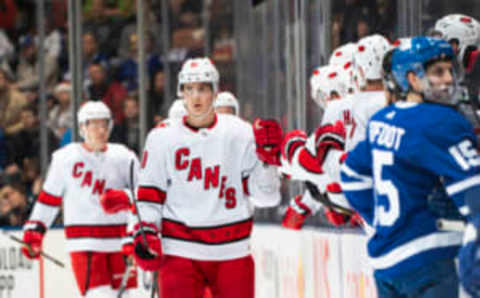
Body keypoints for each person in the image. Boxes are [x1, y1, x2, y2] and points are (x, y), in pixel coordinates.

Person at [130, 57, 281, 298]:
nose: (196, 96)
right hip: (180, 251)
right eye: (189, 89)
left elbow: (267, 198)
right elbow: (150, 196)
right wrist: (145, 231)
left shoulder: (240, 133)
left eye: (202, 88)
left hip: (232, 251)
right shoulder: (162, 138)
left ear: (215, 92)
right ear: (182, 93)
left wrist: (268, 162)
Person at [341, 36, 472, 298]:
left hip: (386, 263)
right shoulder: (443, 121)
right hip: (432, 258)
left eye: (450, 70)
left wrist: (382, 220)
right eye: (438, 72)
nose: (448, 79)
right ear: (412, 79)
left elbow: (351, 176)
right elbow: (475, 194)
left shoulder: (381, 121)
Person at [21, 101, 139, 298]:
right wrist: (35, 231)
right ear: (83, 127)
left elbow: (145, 196)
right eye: (94, 125)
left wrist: (126, 200)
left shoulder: (124, 157)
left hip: (120, 243)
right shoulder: (65, 159)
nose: (101, 130)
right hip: (85, 245)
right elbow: (49, 198)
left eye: (104, 124)